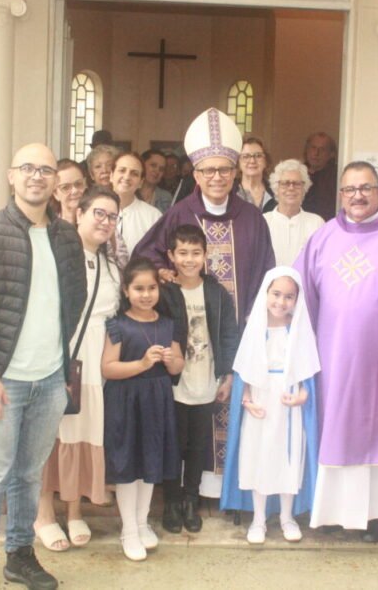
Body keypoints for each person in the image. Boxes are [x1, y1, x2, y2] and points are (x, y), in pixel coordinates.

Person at [0, 144, 87, 590]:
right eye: (28, 168)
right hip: (3, 383)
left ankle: (18, 556)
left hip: (49, 379)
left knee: (29, 476)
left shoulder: (66, 237)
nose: (37, 176)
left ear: (56, 181)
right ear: (11, 177)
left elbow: (75, 296)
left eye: (46, 170)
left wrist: (60, 362)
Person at [133, 108, 276, 498]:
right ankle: (185, 493)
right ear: (195, 174)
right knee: (189, 419)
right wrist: (165, 274)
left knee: (229, 407)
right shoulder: (180, 213)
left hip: (235, 338)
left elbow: (267, 272)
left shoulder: (252, 219)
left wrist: (254, 321)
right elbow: (147, 257)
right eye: (209, 170)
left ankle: (227, 490)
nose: (217, 177)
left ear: (235, 172)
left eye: (224, 169)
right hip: (192, 342)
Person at [295, 160, 378, 542]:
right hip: (332, 357)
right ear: (341, 194)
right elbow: (299, 291)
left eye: (366, 188)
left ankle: (372, 517)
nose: (358, 195)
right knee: (334, 431)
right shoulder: (324, 237)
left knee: (375, 432)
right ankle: (333, 514)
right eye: (350, 189)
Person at [36, 188, 122, 552]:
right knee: (49, 437)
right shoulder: (56, 257)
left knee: (82, 435)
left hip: (93, 371)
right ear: (78, 214)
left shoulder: (112, 267)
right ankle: (43, 514)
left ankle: (73, 511)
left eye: (112, 217)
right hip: (58, 359)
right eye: (98, 213)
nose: (105, 222)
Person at [221, 267, 320, 544]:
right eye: (276, 294)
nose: (281, 301)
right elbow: (246, 368)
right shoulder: (256, 328)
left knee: (288, 459)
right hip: (261, 402)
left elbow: (305, 370)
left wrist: (301, 396)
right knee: (258, 457)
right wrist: (247, 400)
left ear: (297, 300)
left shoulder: (298, 328)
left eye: (289, 296)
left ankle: (287, 517)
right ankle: (259, 519)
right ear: (266, 293)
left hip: (288, 403)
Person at [156, 224, 241, 534]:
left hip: (206, 381)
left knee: (197, 446)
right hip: (174, 383)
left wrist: (227, 374)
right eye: (182, 253)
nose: (189, 260)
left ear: (206, 255)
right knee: (173, 445)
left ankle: (191, 499)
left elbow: (230, 333)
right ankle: (171, 502)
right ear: (171, 256)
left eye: (195, 253)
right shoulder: (164, 292)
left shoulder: (216, 292)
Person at [101, 257, 186, 561]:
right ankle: (128, 529)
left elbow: (178, 363)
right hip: (125, 400)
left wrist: (168, 360)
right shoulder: (117, 324)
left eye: (151, 288)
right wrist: (142, 363)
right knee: (127, 464)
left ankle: (141, 521)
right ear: (126, 290)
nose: (146, 294)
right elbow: (108, 368)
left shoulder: (167, 324)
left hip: (157, 399)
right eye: (139, 288)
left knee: (151, 461)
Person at [263, 159, 324, 267]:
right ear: (276, 188)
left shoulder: (316, 223)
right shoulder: (263, 222)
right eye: (285, 183)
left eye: (296, 184)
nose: (291, 188)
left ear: (304, 188)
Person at [111, 152, 162, 267]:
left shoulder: (153, 216)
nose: (127, 177)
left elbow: (158, 258)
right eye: (122, 170)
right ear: (111, 175)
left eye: (134, 174)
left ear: (141, 182)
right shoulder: (95, 210)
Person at [301, 131, 338, 221]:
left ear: (331, 154)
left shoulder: (335, 176)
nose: (316, 153)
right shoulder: (298, 173)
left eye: (322, 149)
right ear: (307, 150)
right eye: (313, 148)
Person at [235, 137, 276, 212]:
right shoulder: (229, 191)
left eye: (258, 156)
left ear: (266, 161)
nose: (252, 161)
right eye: (246, 156)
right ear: (238, 162)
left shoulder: (276, 192)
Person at [50, 158, 87, 224]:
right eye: (66, 187)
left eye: (78, 184)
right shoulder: (49, 227)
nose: (74, 191)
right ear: (55, 194)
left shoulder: (96, 222)